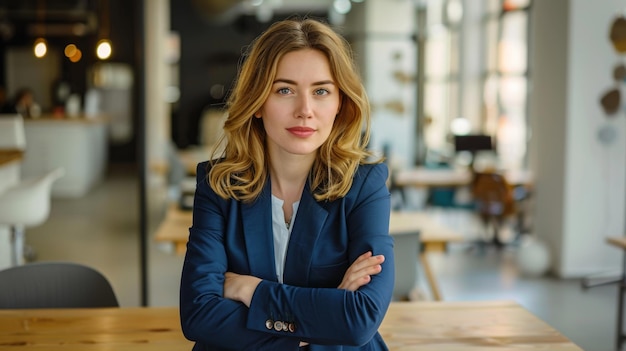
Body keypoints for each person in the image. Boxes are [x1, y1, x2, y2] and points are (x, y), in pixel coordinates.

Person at [180, 17, 394, 351]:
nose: (305, 110)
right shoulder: (218, 185)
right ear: (258, 103)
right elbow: (198, 314)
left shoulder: (364, 185)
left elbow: (359, 319)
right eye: (285, 90)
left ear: (340, 104)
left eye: (321, 91)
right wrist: (326, 312)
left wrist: (250, 291)